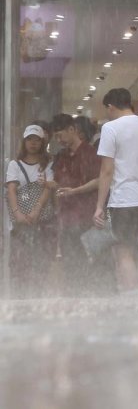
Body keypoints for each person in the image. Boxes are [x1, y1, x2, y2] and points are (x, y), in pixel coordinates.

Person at [93, 88, 138, 297]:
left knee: (122, 248)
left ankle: (131, 294)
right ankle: (136, 288)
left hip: (124, 199)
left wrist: (99, 206)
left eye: (107, 110)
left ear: (111, 107)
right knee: (135, 245)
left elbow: (106, 170)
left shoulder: (111, 128)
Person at [50, 114, 105, 295]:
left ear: (72, 130)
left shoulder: (91, 153)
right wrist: (51, 185)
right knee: (70, 263)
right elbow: (59, 182)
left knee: (89, 263)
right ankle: (73, 298)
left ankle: (89, 298)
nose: (59, 140)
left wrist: (74, 191)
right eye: (56, 137)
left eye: (61, 136)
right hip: (67, 218)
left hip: (86, 219)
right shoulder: (62, 157)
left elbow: (99, 181)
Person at [5, 124, 57, 297]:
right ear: (24, 142)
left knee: (41, 260)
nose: (33, 144)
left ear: (42, 142)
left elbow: (47, 189)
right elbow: (11, 189)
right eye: (29, 140)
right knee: (20, 261)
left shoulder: (48, 164)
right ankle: (19, 296)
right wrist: (17, 213)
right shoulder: (14, 164)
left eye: (36, 140)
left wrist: (36, 211)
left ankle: (39, 295)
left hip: (42, 221)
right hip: (20, 223)